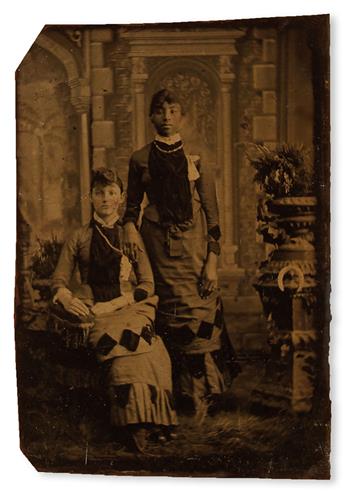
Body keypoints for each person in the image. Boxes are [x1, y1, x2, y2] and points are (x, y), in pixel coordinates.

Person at [122, 89, 240, 416]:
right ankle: (174, 396)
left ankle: (204, 396)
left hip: (194, 249)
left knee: (197, 313)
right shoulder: (139, 159)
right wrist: (130, 227)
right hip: (156, 249)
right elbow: (131, 208)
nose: (167, 117)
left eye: (173, 111)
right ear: (151, 117)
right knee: (166, 318)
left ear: (182, 116)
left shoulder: (198, 156)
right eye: (160, 111)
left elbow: (213, 216)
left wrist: (212, 263)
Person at [51, 167, 178, 452]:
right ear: (91, 198)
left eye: (111, 193)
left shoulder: (130, 236)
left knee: (154, 350)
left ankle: (153, 420)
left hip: (130, 307)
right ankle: (131, 424)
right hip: (95, 310)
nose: (105, 199)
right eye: (99, 193)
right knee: (121, 352)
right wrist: (64, 293)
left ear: (121, 198)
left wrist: (119, 302)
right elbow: (59, 278)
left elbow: (147, 283)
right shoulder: (80, 236)